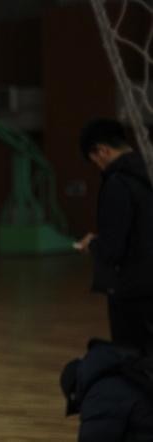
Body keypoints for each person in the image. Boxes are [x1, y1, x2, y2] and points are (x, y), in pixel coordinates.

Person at [75, 118, 153, 354]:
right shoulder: (148, 172)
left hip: (132, 294)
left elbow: (112, 248)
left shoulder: (118, 183)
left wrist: (92, 244)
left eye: (95, 161)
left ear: (102, 151)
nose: (98, 167)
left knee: (132, 362)